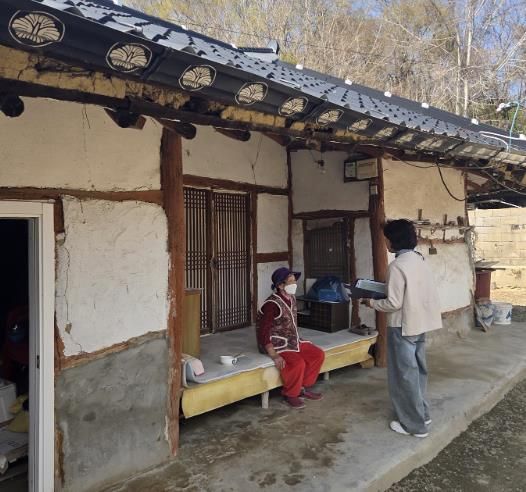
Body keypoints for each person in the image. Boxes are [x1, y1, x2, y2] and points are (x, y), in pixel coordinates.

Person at [362, 219, 442, 438]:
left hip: (402, 325)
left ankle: (414, 425)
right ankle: (422, 413)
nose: (385, 242)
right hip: (420, 323)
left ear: (393, 240)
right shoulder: (420, 260)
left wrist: (371, 302)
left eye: (386, 239)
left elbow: (393, 303)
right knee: (418, 372)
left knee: (403, 375)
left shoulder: (397, 266)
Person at [257, 267, 325, 409]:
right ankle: (291, 394)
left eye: (295, 281)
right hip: (276, 343)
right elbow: (263, 331)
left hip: (292, 340)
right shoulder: (271, 304)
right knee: (297, 363)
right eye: (291, 281)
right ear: (280, 285)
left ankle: (301, 388)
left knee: (317, 354)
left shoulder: (291, 298)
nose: (294, 284)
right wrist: (273, 355)